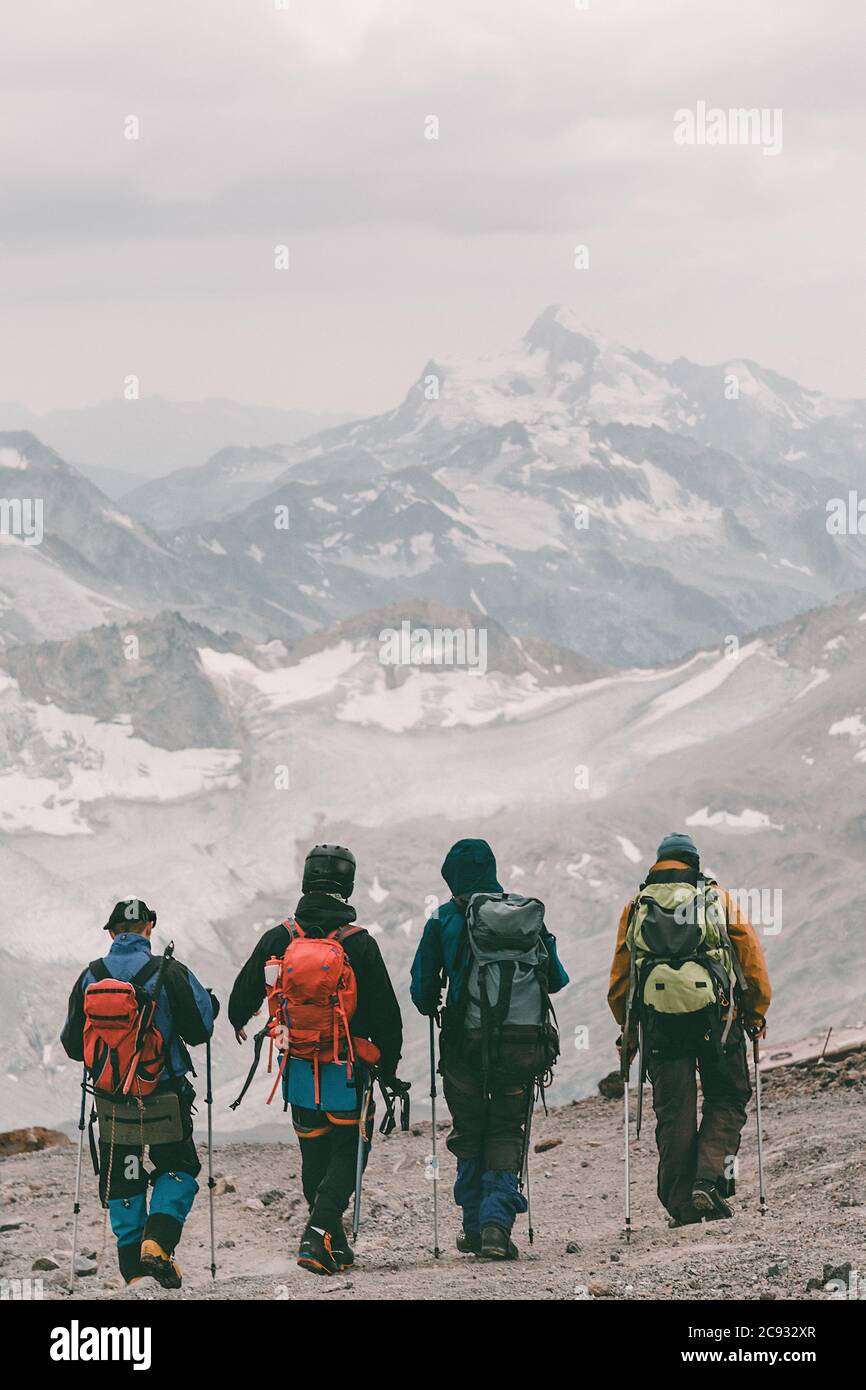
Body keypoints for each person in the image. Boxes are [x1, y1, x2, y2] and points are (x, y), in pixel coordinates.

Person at [228, 844, 404, 1276]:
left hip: (299, 1063)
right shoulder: (358, 943)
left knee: (314, 1152)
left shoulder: (280, 937)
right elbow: (388, 1015)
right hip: (346, 1066)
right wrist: (389, 1067)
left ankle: (331, 1242)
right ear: (347, 884)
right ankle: (318, 1231)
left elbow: (239, 1002)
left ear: (306, 881)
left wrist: (241, 1021)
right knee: (351, 1147)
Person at [410, 838, 569, 1260]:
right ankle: (497, 1225)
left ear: (451, 877)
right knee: (505, 1131)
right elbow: (556, 979)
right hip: (520, 1051)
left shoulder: (443, 918)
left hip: (464, 1050)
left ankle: (474, 1227)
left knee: (471, 1133)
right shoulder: (524, 916)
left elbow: (422, 992)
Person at [608, 832, 772, 1227]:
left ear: (660, 862)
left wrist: (628, 1030)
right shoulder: (717, 899)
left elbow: (620, 978)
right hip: (718, 1020)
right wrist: (755, 1013)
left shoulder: (637, 905)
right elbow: (749, 958)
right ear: (694, 862)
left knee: (674, 1111)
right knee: (729, 1095)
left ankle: (682, 1205)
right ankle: (709, 1181)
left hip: (660, 1024)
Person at [60, 897, 218, 1288]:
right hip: (164, 1094)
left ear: (113, 933)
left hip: (111, 1100)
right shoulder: (170, 971)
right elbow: (200, 1031)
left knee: (124, 1178)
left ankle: (133, 1272)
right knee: (177, 1168)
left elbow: (72, 1045)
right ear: (148, 928)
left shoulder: (90, 977)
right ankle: (159, 1243)